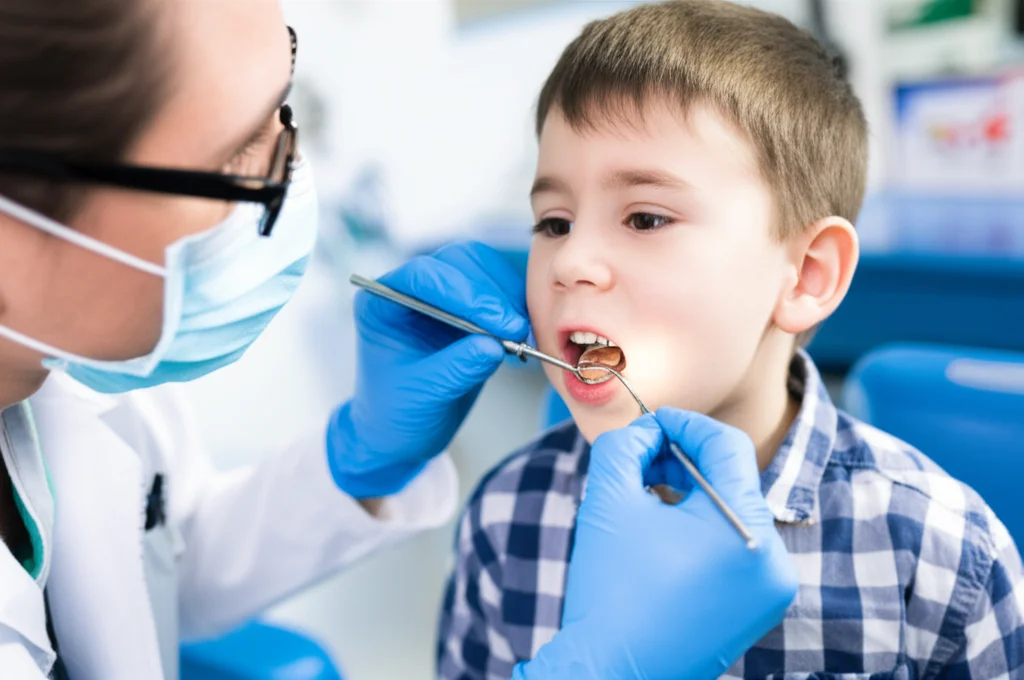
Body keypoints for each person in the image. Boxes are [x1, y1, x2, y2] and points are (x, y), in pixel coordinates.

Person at [0, 0, 799, 678]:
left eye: (288, 112)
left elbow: (145, 565)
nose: (574, 261)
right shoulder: (509, 523)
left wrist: (361, 456)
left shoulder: (914, 528)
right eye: (240, 154)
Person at [437, 2, 1024, 679]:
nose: (569, 262)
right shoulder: (505, 519)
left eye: (646, 217)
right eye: (555, 223)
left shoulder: (941, 559)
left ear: (806, 274)